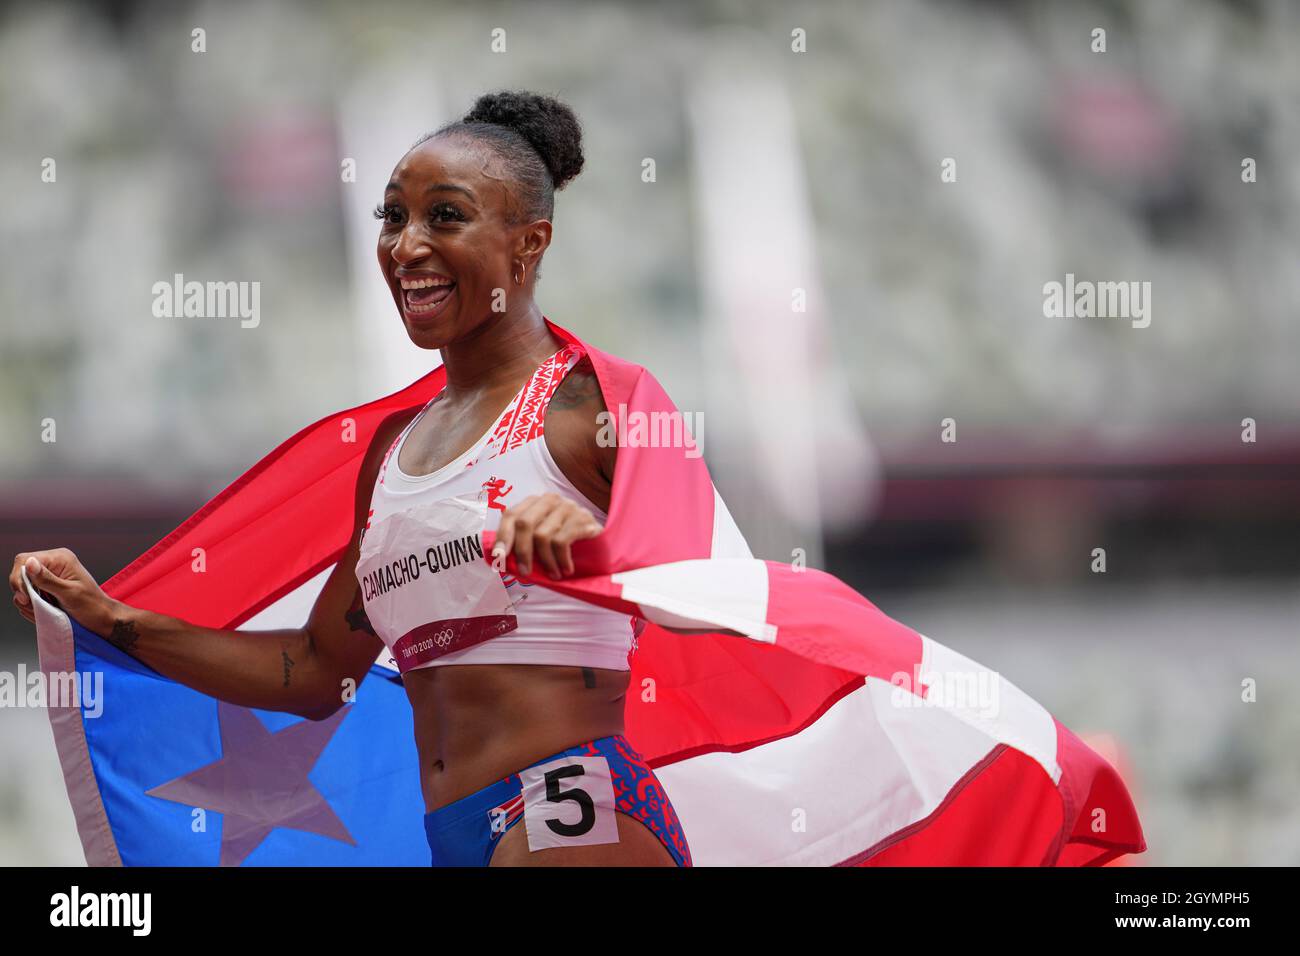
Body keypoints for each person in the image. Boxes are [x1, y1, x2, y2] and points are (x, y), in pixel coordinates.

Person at [10, 90, 693, 868]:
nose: (406, 246)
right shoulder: (395, 453)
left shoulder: (596, 406)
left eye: (445, 216)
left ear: (528, 243)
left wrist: (602, 549)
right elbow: (314, 670)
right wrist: (110, 617)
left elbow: (706, 581)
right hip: (455, 832)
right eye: (392, 216)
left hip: (568, 804)